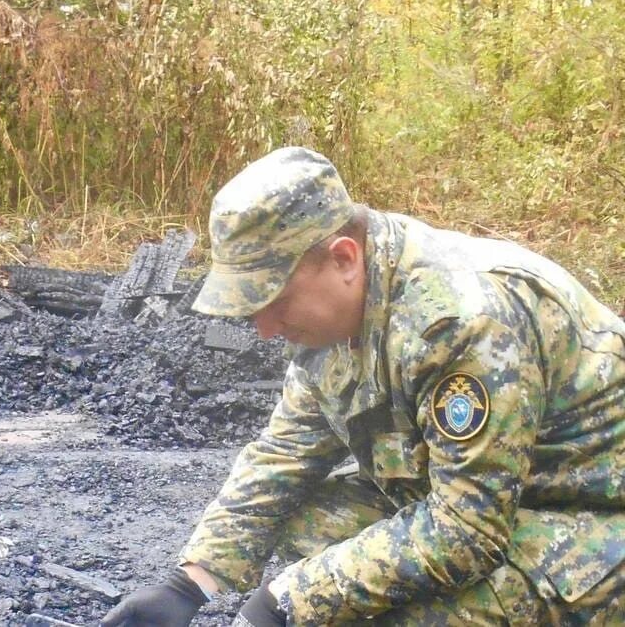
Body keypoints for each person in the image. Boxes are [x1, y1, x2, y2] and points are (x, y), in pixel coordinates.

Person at [101, 147, 625, 626]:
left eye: (274, 300)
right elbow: (286, 453)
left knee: (363, 615)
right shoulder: (341, 311)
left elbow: (467, 534)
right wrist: (190, 584)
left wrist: (285, 603)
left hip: (594, 520)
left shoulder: (460, 321)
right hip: (505, 498)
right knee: (303, 523)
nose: (264, 328)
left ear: (344, 258)